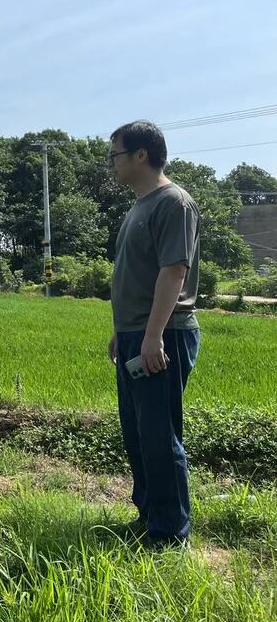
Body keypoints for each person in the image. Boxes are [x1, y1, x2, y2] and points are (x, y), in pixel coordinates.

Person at [107, 120, 201, 550]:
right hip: (135, 334)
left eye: (115, 154)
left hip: (163, 335)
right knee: (138, 432)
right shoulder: (138, 206)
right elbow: (135, 275)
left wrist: (152, 336)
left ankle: (170, 534)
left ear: (140, 154)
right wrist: (122, 331)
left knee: (160, 435)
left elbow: (173, 272)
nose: (112, 163)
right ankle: (149, 516)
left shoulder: (173, 203)